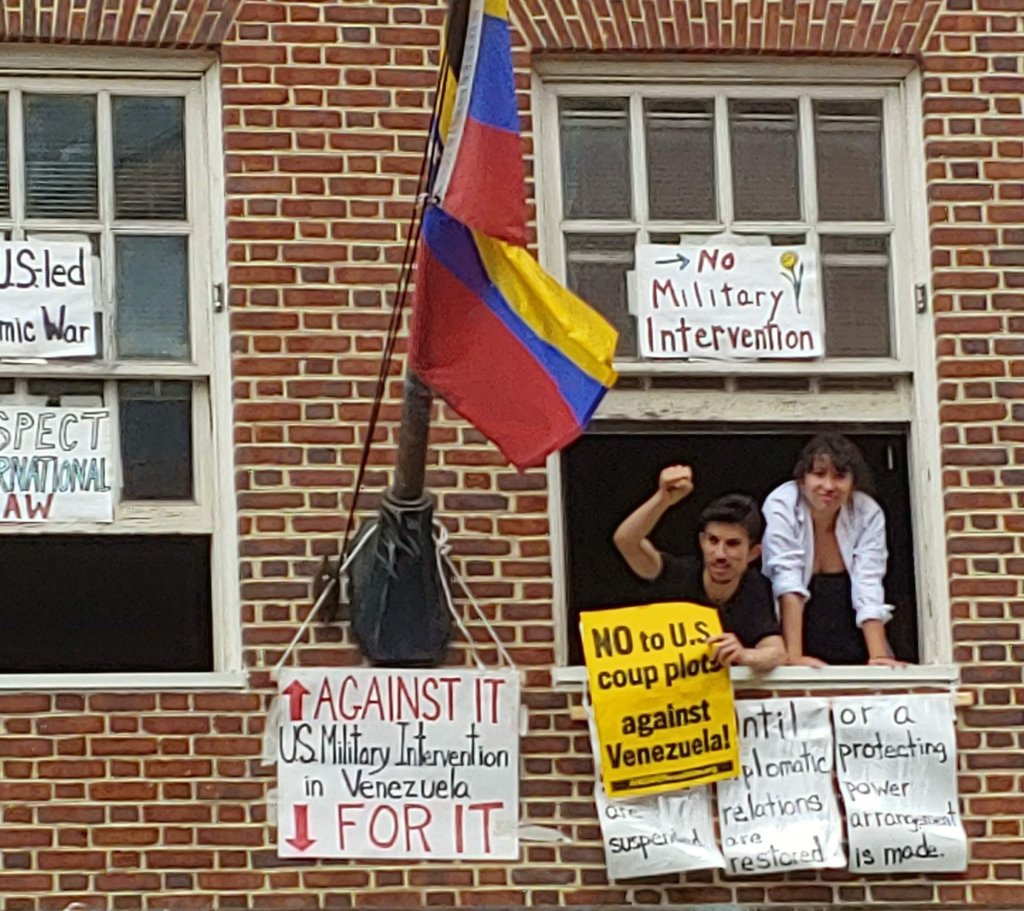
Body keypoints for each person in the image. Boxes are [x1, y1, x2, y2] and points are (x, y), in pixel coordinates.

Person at [613, 464, 785, 673]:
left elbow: (776, 652)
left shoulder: (754, 587)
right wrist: (663, 499)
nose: (720, 554)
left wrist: (744, 654)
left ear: (753, 553)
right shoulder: (677, 574)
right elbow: (626, 541)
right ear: (701, 542)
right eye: (713, 541)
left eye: (732, 544)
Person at [760, 433, 902, 667]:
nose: (828, 486)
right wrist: (794, 658)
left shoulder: (867, 512)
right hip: (794, 631)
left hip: (851, 635)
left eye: (839, 476)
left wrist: (878, 657)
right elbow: (787, 578)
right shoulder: (782, 504)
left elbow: (869, 581)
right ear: (801, 479)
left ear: (852, 482)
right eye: (819, 474)